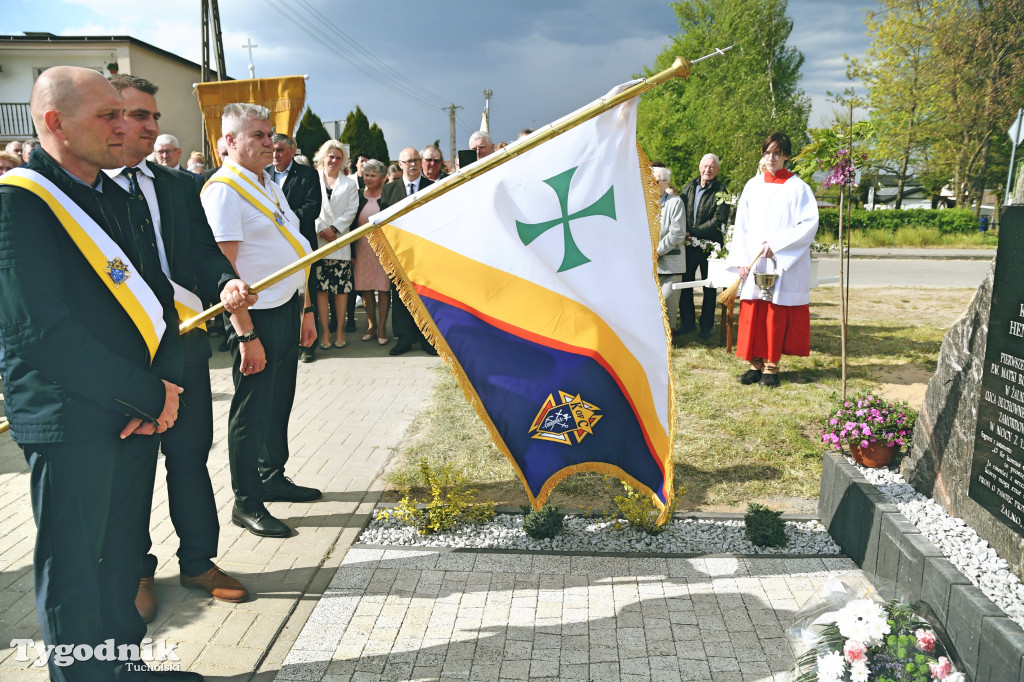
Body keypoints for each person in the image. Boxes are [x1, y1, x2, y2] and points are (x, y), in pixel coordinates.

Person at [0, 65, 195, 680]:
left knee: (120, 563)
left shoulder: (111, 193)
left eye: (126, 113)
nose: (125, 126)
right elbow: (41, 333)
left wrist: (156, 396)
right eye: (108, 115)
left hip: (129, 413)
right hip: (68, 419)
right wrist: (146, 393)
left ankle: (123, 668)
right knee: (76, 569)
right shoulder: (19, 204)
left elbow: (154, 300)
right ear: (55, 123)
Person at [106, 73, 254, 622]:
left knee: (189, 459)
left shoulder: (176, 184)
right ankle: (136, 569)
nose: (152, 125)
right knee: (133, 465)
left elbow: (202, 253)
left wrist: (225, 282)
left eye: (154, 116)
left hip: (186, 343)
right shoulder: (87, 189)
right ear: (110, 118)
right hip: (129, 355)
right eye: (139, 115)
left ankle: (198, 562)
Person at [202, 103, 320, 538]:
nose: (269, 143)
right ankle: (247, 500)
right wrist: (245, 333)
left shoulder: (267, 182)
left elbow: (294, 247)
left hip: (287, 306)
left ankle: (273, 475)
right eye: (257, 135)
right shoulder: (224, 190)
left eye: (270, 134)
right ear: (229, 142)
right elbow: (224, 272)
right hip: (256, 317)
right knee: (252, 410)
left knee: (279, 399)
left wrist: (306, 309)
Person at [726, 131, 818, 388]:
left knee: (774, 313)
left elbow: (808, 224)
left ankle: (772, 366)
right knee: (754, 311)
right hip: (755, 261)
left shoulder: (798, 187)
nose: (771, 158)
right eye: (767, 152)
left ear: (786, 156)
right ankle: (755, 363)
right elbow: (741, 225)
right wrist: (743, 259)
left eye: (777, 153)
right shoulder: (752, 186)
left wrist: (777, 245)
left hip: (781, 262)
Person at [267, 133, 322, 363]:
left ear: (292, 151)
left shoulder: (308, 174)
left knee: (306, 292)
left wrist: (284, 223)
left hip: (300, 243)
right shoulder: (263, 175)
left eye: (280, 150)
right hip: (272, 247)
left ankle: (308, 345)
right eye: (272, 149)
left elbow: (313, 207)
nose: (275, 154)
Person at [382, 147, 436, 356]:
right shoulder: (389, 190)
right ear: (400, 164)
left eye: (416, 160)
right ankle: (404, 338)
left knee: (425, 295)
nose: (413, 164)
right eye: (408, 161)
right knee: (401, 295)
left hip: (426, 251)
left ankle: (428, 338)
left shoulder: (431, 187)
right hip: (400, 252)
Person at [312, 139, 359, 349]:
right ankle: (325, 333)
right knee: (321, 291)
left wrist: (335, 229)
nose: (333, 160)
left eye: (338, 157)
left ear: (343, 161)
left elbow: (351, 210)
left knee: (341, 291)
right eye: (330, 156)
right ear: (323, 156)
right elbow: (310, 205)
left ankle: (340, 330)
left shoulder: (349, 184)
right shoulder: (312, 179)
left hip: (340, 242)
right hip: (319, 241)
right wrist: (321, 228)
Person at [678, 153, 730, 339]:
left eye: (712, 167)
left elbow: (718, 220)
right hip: (690, 245)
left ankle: (706, 327)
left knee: (710, 287)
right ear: (700, 167)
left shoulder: (722, 191)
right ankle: (687, 324)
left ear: (717, 170)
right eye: (705, 166)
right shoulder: (688, 187)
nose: (708, 170)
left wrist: (693, 231)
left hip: (711, 248)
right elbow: (679, 211)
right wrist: (685, 232)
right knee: (686, 285)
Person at [351, 159, 391, 345]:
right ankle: (371, 324)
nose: (368, 178)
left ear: (382, 178)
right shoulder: (357, 195)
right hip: (362, 249)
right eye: (366, 175)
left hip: (383, 250)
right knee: (365, 287)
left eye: (373, 175)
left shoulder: (389, 194)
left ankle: (382, 327)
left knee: (383, 288)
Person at [654, 166, 687, 330]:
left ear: (665, 183)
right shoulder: (643, 204)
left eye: (655, 180)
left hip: (670, 265)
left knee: (668, 305)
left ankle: (668, 341)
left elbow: (677, 233)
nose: (650, 183)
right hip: (649, 266)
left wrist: (657, 251)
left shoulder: (676, 202)